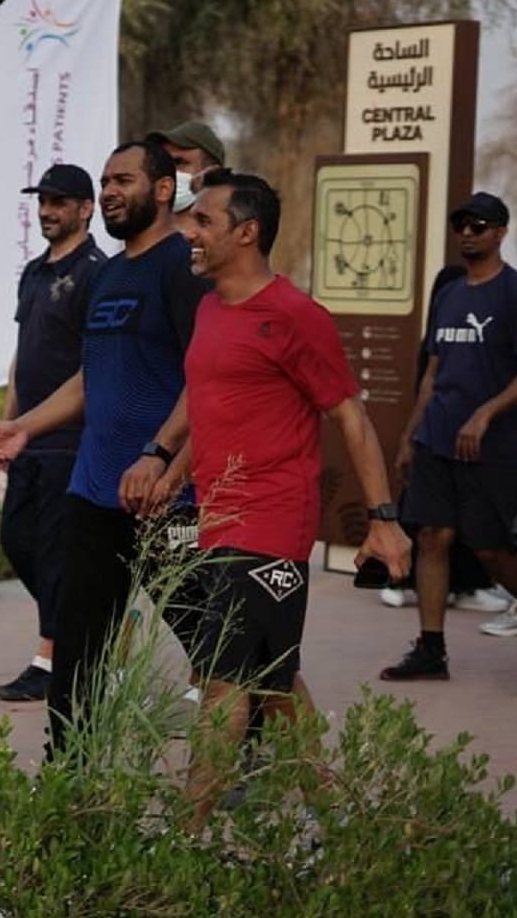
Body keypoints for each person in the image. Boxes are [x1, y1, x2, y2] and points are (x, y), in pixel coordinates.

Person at [172, 169, 412, 818]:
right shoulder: (209, 307)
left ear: (246, 233)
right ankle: (345, 828)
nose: (188, 231)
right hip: (217, 522)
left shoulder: (296, 317)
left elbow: (350, 415)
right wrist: (167, 474)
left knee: (223, 681)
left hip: (271, 525)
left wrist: (383, 519)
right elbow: (210, 403)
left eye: (203, 221)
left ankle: (183, 842)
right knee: (272, 685)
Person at [0, 141, 208, 755]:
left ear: (163, 189)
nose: (110, 190)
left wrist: (160, 456)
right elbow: (90, 375)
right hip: (93, 488)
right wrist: (26, 426)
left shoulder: (178, 268)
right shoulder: (106, 273)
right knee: (78, 647)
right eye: (105, 180)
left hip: (163, 495)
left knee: (215, 641)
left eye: (123, 180)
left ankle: (257, 752)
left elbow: (205, 376)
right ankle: (69, 771)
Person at [378, 191, 517, 690]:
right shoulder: (450, 294)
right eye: (462, 225)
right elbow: (433, 372)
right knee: (432, 536)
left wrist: (485, 414)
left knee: (492, 549)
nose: (468, 233)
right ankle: (432, 648)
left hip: (491, 446)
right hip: (436, 441)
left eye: (479, 225)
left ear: (500, 233)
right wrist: (410, 434)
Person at [0, 163, 105, 702]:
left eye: (60, 201)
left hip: (73, 437)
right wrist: (12, 421)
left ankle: (52, 657)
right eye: (43, 200)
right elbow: (24, 353)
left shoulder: (95, 271)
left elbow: (97, 363)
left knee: (58, 553)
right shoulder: (35, 271)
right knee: (17, 540)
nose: (47, 210)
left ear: (86, 208)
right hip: (29, 439)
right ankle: (87, 626)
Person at [147, 118, 227, 232]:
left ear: (211, 172)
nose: (167, 170)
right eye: (162, 162)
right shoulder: (136, 241)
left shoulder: (227, 242)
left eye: (179, 162)